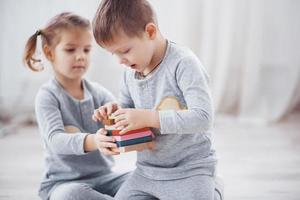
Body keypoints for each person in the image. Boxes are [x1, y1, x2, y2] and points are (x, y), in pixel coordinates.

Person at [92, 0, 224, 200]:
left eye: (125, 51)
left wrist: (150, 118)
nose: (121, 60)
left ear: (151, 32)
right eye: (115, 54)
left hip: (190, 171)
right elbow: (131, 114)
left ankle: (213, 189)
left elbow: (203, 118)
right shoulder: (130, 72)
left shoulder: (184, 63)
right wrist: (115, 116)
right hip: (147, 173)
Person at [23, 12, 129, 200]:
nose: (80, 56)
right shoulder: (47, 96)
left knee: (142, 180)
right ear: (49, 53)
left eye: (87, 50)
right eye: (71, 50)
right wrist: (94, 140)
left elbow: (121, 122)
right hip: (64, 183)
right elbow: (55, 140)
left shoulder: (99, 93)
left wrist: (115, 117)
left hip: (105, 177)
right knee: (71, 195)